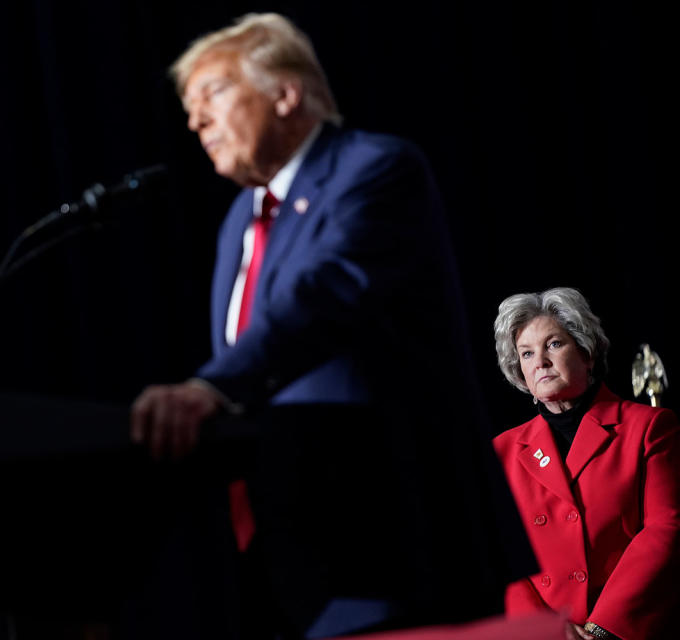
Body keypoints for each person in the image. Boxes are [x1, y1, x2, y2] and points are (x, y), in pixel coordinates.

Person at [129, 13, 534, 639]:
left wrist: (209, 389)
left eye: (211, 95)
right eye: (188, 108)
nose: (195, 121)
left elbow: (320, 297)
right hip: (280, 538)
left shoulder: (374, 168)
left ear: (284, 93)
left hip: (390, 534)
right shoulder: (242, 216)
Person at [492, 287, 680, 640]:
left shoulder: (648, 427)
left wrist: (602, 628)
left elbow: (665, 529)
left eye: (554, 344)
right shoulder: (502, 449)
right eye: (527, 353)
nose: (541, 362)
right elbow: (502, 557)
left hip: (626, 626)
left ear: (587, 353)